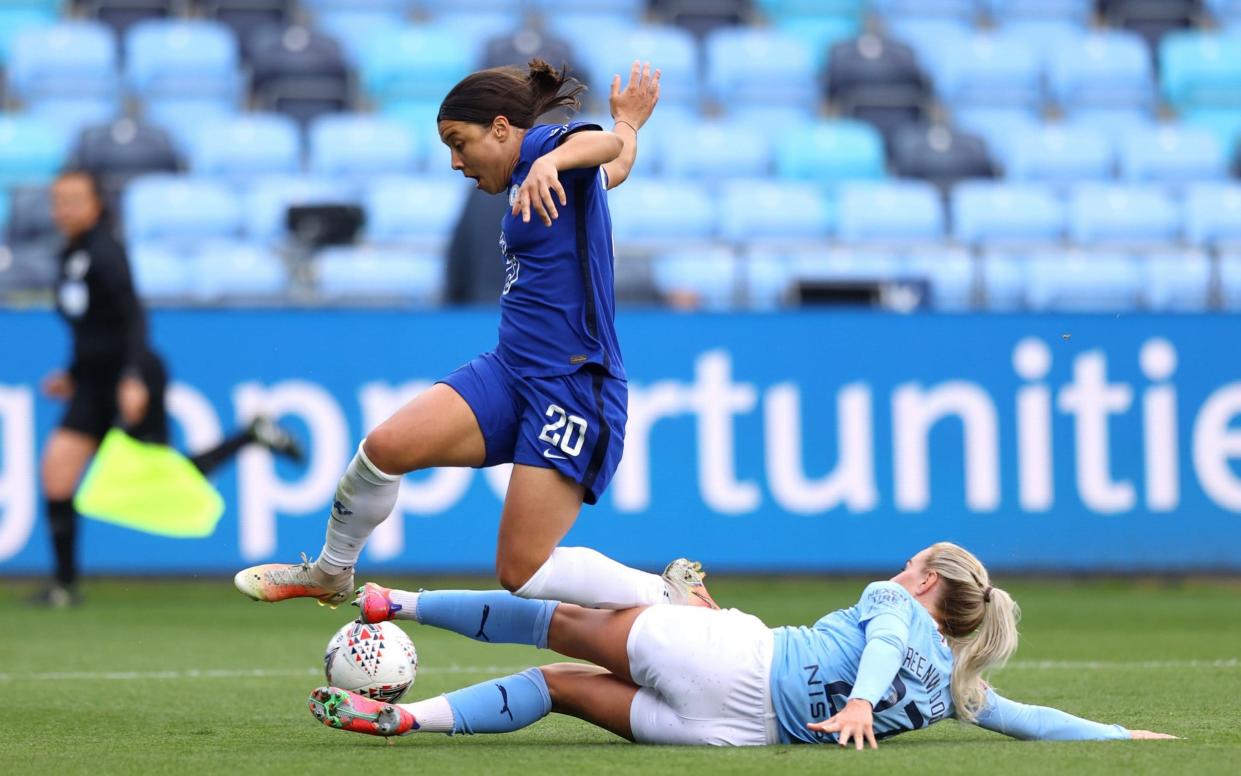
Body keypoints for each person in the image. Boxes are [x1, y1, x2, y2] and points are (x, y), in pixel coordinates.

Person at [234, 60, 700, 614]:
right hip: (510, 370)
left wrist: (580, 146)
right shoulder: (549, 173)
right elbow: (616, 164)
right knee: (384, 450)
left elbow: (596, 146)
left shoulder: (547, 150)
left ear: (501, 129)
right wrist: (631, 128)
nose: (456, 162)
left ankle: (669, 596)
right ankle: (331, 573)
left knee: (519, 570)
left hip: (572, 385)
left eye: (460, 143)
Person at [308, 542, 1176, 747]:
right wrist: (1116, 736)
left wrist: (864, 702)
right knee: (562, 686)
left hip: (744, 661)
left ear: (924, 581)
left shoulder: (893, 603)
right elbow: (1024, 719)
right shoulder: (954, 683)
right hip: (735, 735)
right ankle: (408, 722)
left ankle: (396, 600)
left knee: (557, 624)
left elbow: (874, 652)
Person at [34, 169, 304, 607]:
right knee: (56, 472)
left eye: (73, 200)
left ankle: (250, 436)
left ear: (97, 204)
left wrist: (133, 377)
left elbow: (132, 317)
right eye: (57, 200)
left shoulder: (105, 250)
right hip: (93, 382)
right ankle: (64, 587)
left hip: (129, 377)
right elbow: (91, 327)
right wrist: (74, 373)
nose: (63, 209)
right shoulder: (71, 253)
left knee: (167, 477)